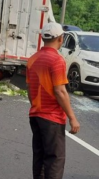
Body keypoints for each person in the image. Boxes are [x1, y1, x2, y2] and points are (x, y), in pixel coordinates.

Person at [26, 22, 80, 179]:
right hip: (52, 117)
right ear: (60, 39)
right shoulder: (57, 60)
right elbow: (60, 91)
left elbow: (30, 89)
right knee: (55, 159)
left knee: (40, 156)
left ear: (43, 38)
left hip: (35, 115)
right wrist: (72, 118)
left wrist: (36, 107)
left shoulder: (33, 59)